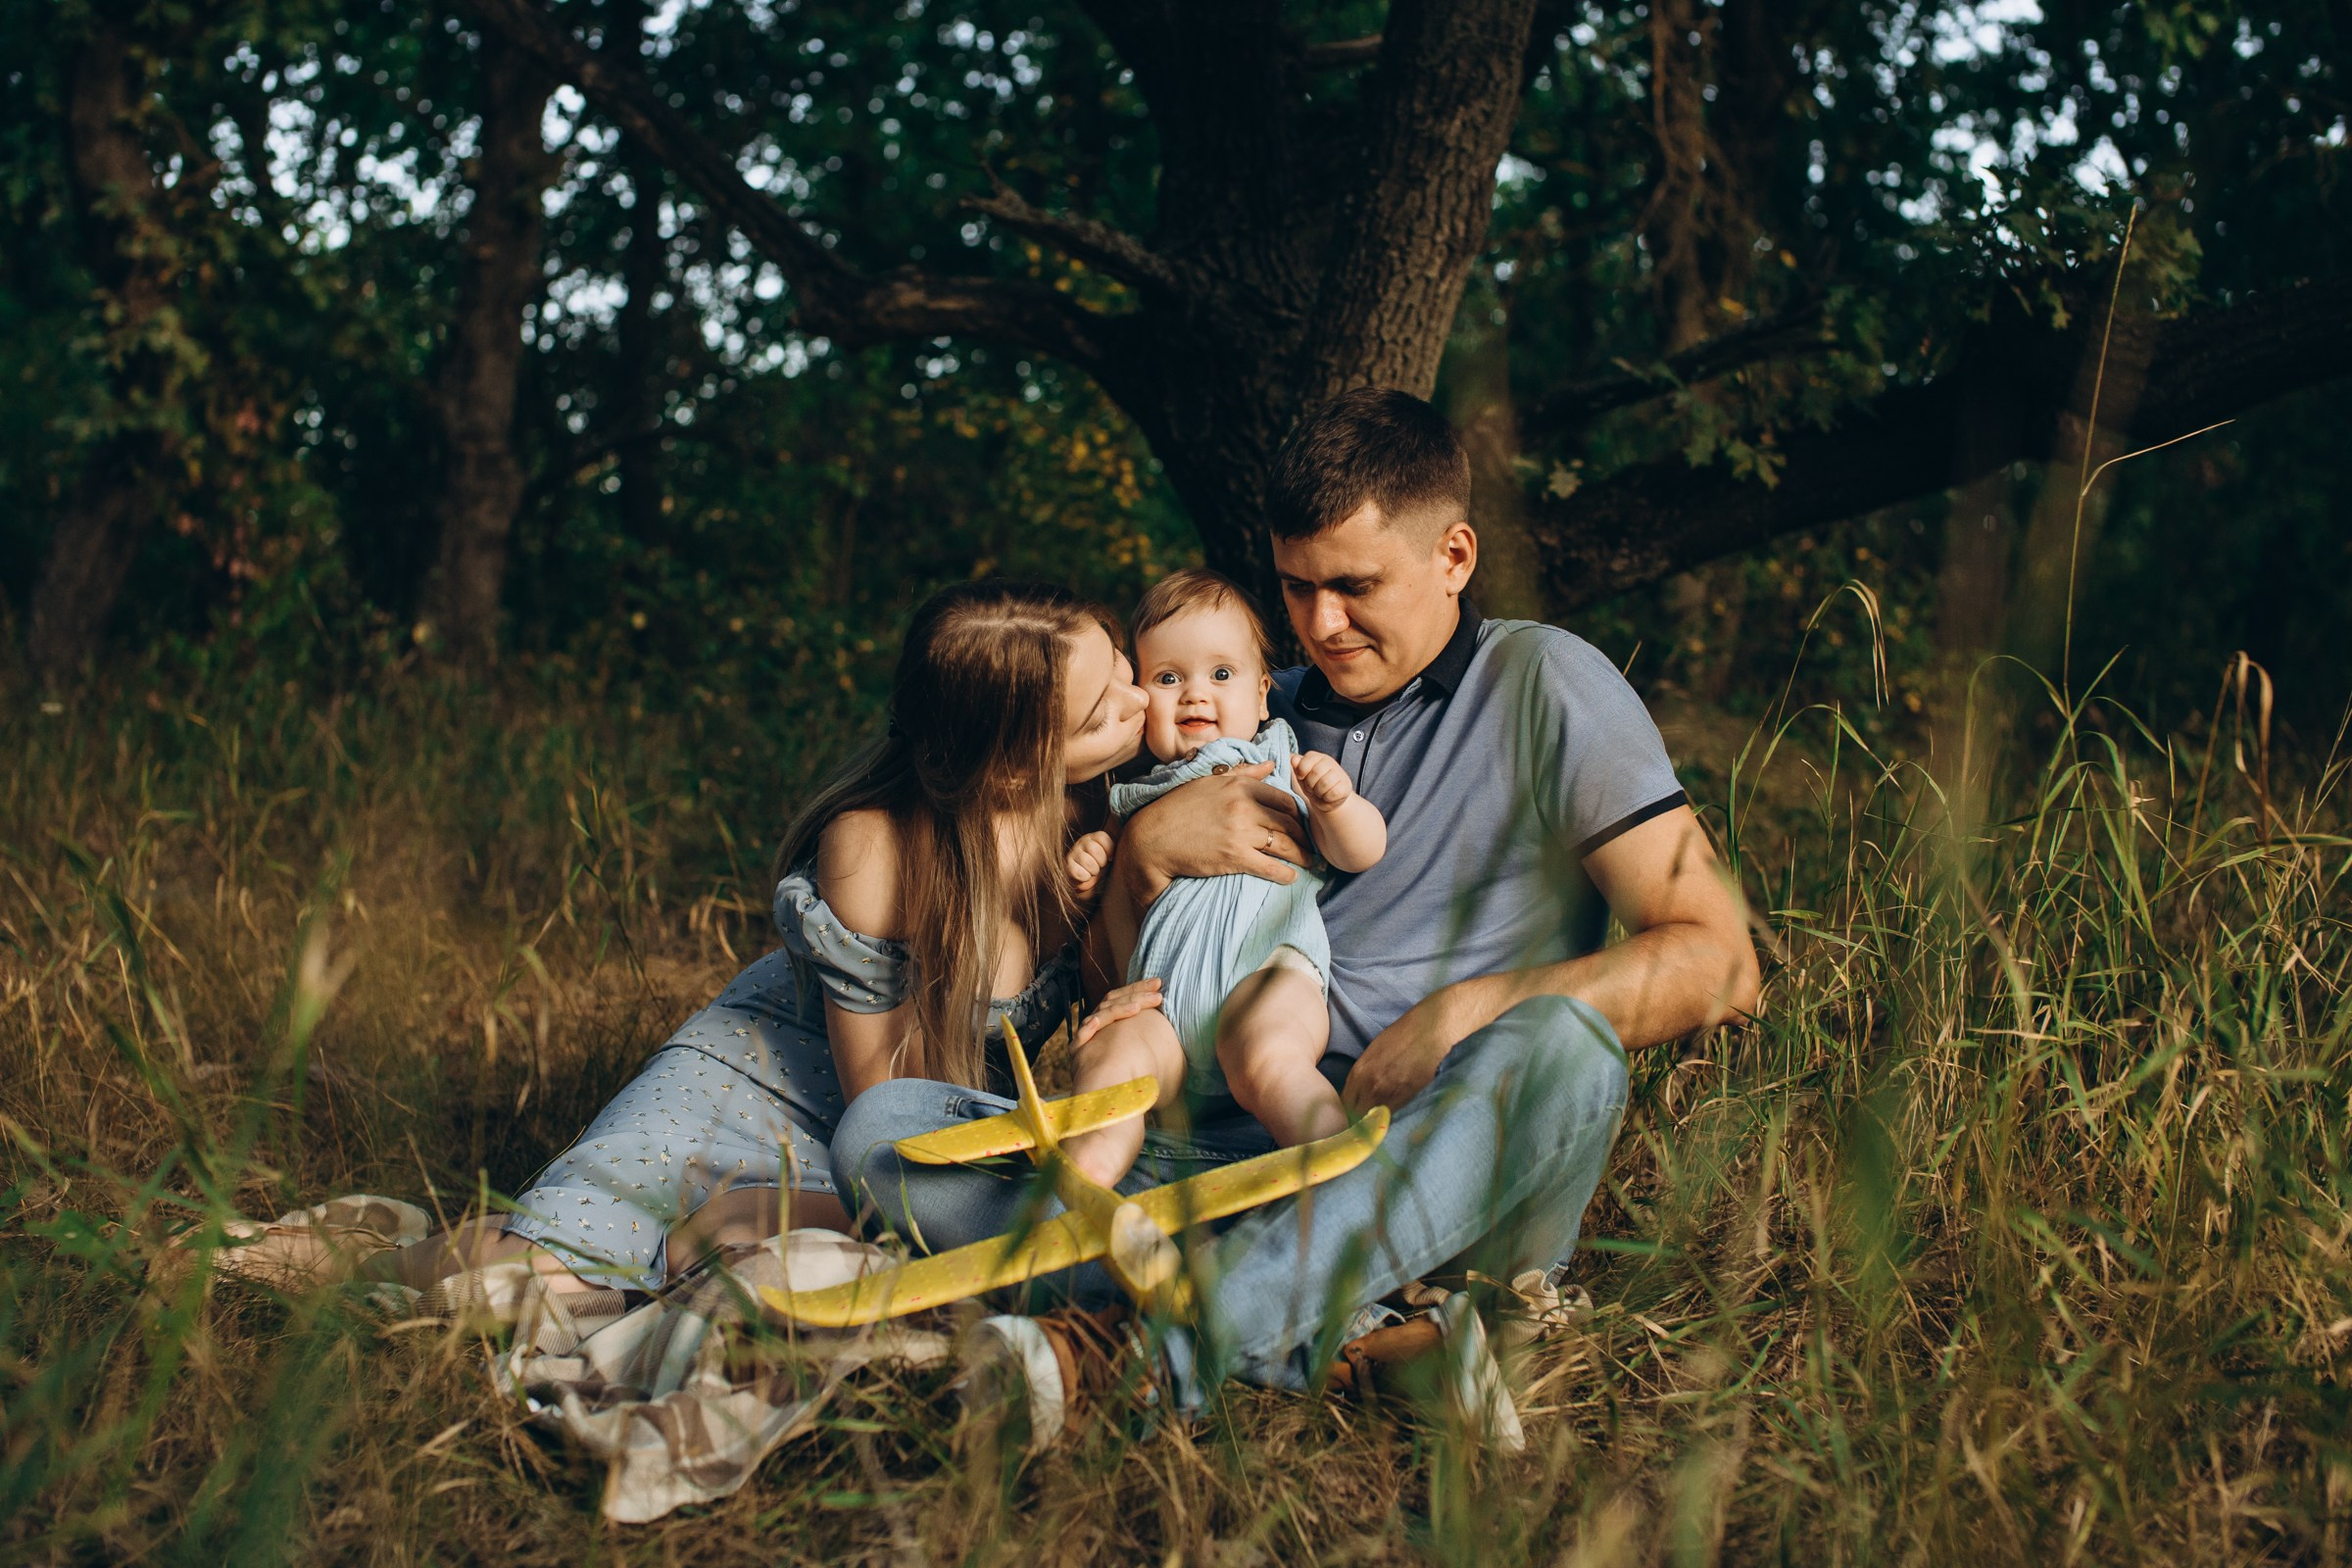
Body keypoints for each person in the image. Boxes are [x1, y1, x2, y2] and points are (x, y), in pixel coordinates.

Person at [831, 387, 1762, 1432]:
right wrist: (1139, 860)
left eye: (1356, 586)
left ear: (1454, 557)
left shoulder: (1547, 684)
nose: (1321, 625)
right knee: (888, 1132)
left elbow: (1719, 962)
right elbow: (1131, 981)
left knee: (1566, 1051)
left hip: (1424, 1153)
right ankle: (1364, 1336)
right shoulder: (1242, 701)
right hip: (1220, 1149)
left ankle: (1133, 1352)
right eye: (1296, 588)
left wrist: (1460, 1017)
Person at [193, 582, 1161, 1300]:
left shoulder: (1107, 818)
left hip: (921, 1143)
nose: (1140, 702)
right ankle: (352, 1258)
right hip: (760, 1089)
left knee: (713, 1276)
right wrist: (770, 1206)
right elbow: (885, 1106)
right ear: (1010, 768)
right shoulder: (874, 848)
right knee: (536, 1288)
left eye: (1125, 669)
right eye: (1105, 708)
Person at [1058, 568, 1387, 1189]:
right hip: (1163, 1004)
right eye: (1168, 677)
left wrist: (1338, 805)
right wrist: (1094, 870)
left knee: (1269, 1059)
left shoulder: (1280, 760)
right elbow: (1108, 923)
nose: (1195, 695)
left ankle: (1350, 1185)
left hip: (1268, 976)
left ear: (1264, 695)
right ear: (1139, 696)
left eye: (1222, 674)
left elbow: (1362, 851)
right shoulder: (1129, 797)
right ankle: (1087, 1183)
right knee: (1109, 1056)